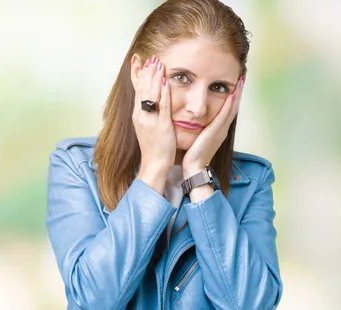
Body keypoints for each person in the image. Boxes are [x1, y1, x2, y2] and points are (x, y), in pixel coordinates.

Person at [45, 0, 283, 309]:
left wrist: (197, 174)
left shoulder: (251, 181)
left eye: (219, 88)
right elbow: (94, 301)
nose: (198, 107)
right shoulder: (77, 167)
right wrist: (154, 167)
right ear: (139, 72)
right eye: (182, 77)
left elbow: (251, 304)